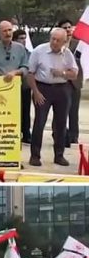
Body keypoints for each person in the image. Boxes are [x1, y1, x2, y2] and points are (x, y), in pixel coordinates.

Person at [26, 27, 78, 167]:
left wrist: (62, 73)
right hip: (42, 88)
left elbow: (74, 74)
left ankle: (59, 156)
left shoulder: (67, 54)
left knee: (61, 124)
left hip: (62, 90)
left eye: (58, 40)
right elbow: (30, 73)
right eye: (52, 39)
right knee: (39, 122)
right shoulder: (39, 51)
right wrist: (35, 92)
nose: (54, 42)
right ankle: (35, 156)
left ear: (64, 42)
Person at [57, 20, 84, 148]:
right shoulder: (56, 43)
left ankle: (73, 136)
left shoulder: (78, 44)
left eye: (69, 27)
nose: (68, 29)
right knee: (60, 111)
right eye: (64, 27)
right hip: (60, 81)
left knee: (73, 111)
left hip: (74, 82)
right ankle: (58, 135)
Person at [13, 28, 33, 143]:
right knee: (15, 111)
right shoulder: (12, 52)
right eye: (21, 38)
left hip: (25, 86)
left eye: (25, 38)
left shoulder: (29, 53)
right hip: (12, 86)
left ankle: (26, 132)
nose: (24, 41)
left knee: (26, 110)